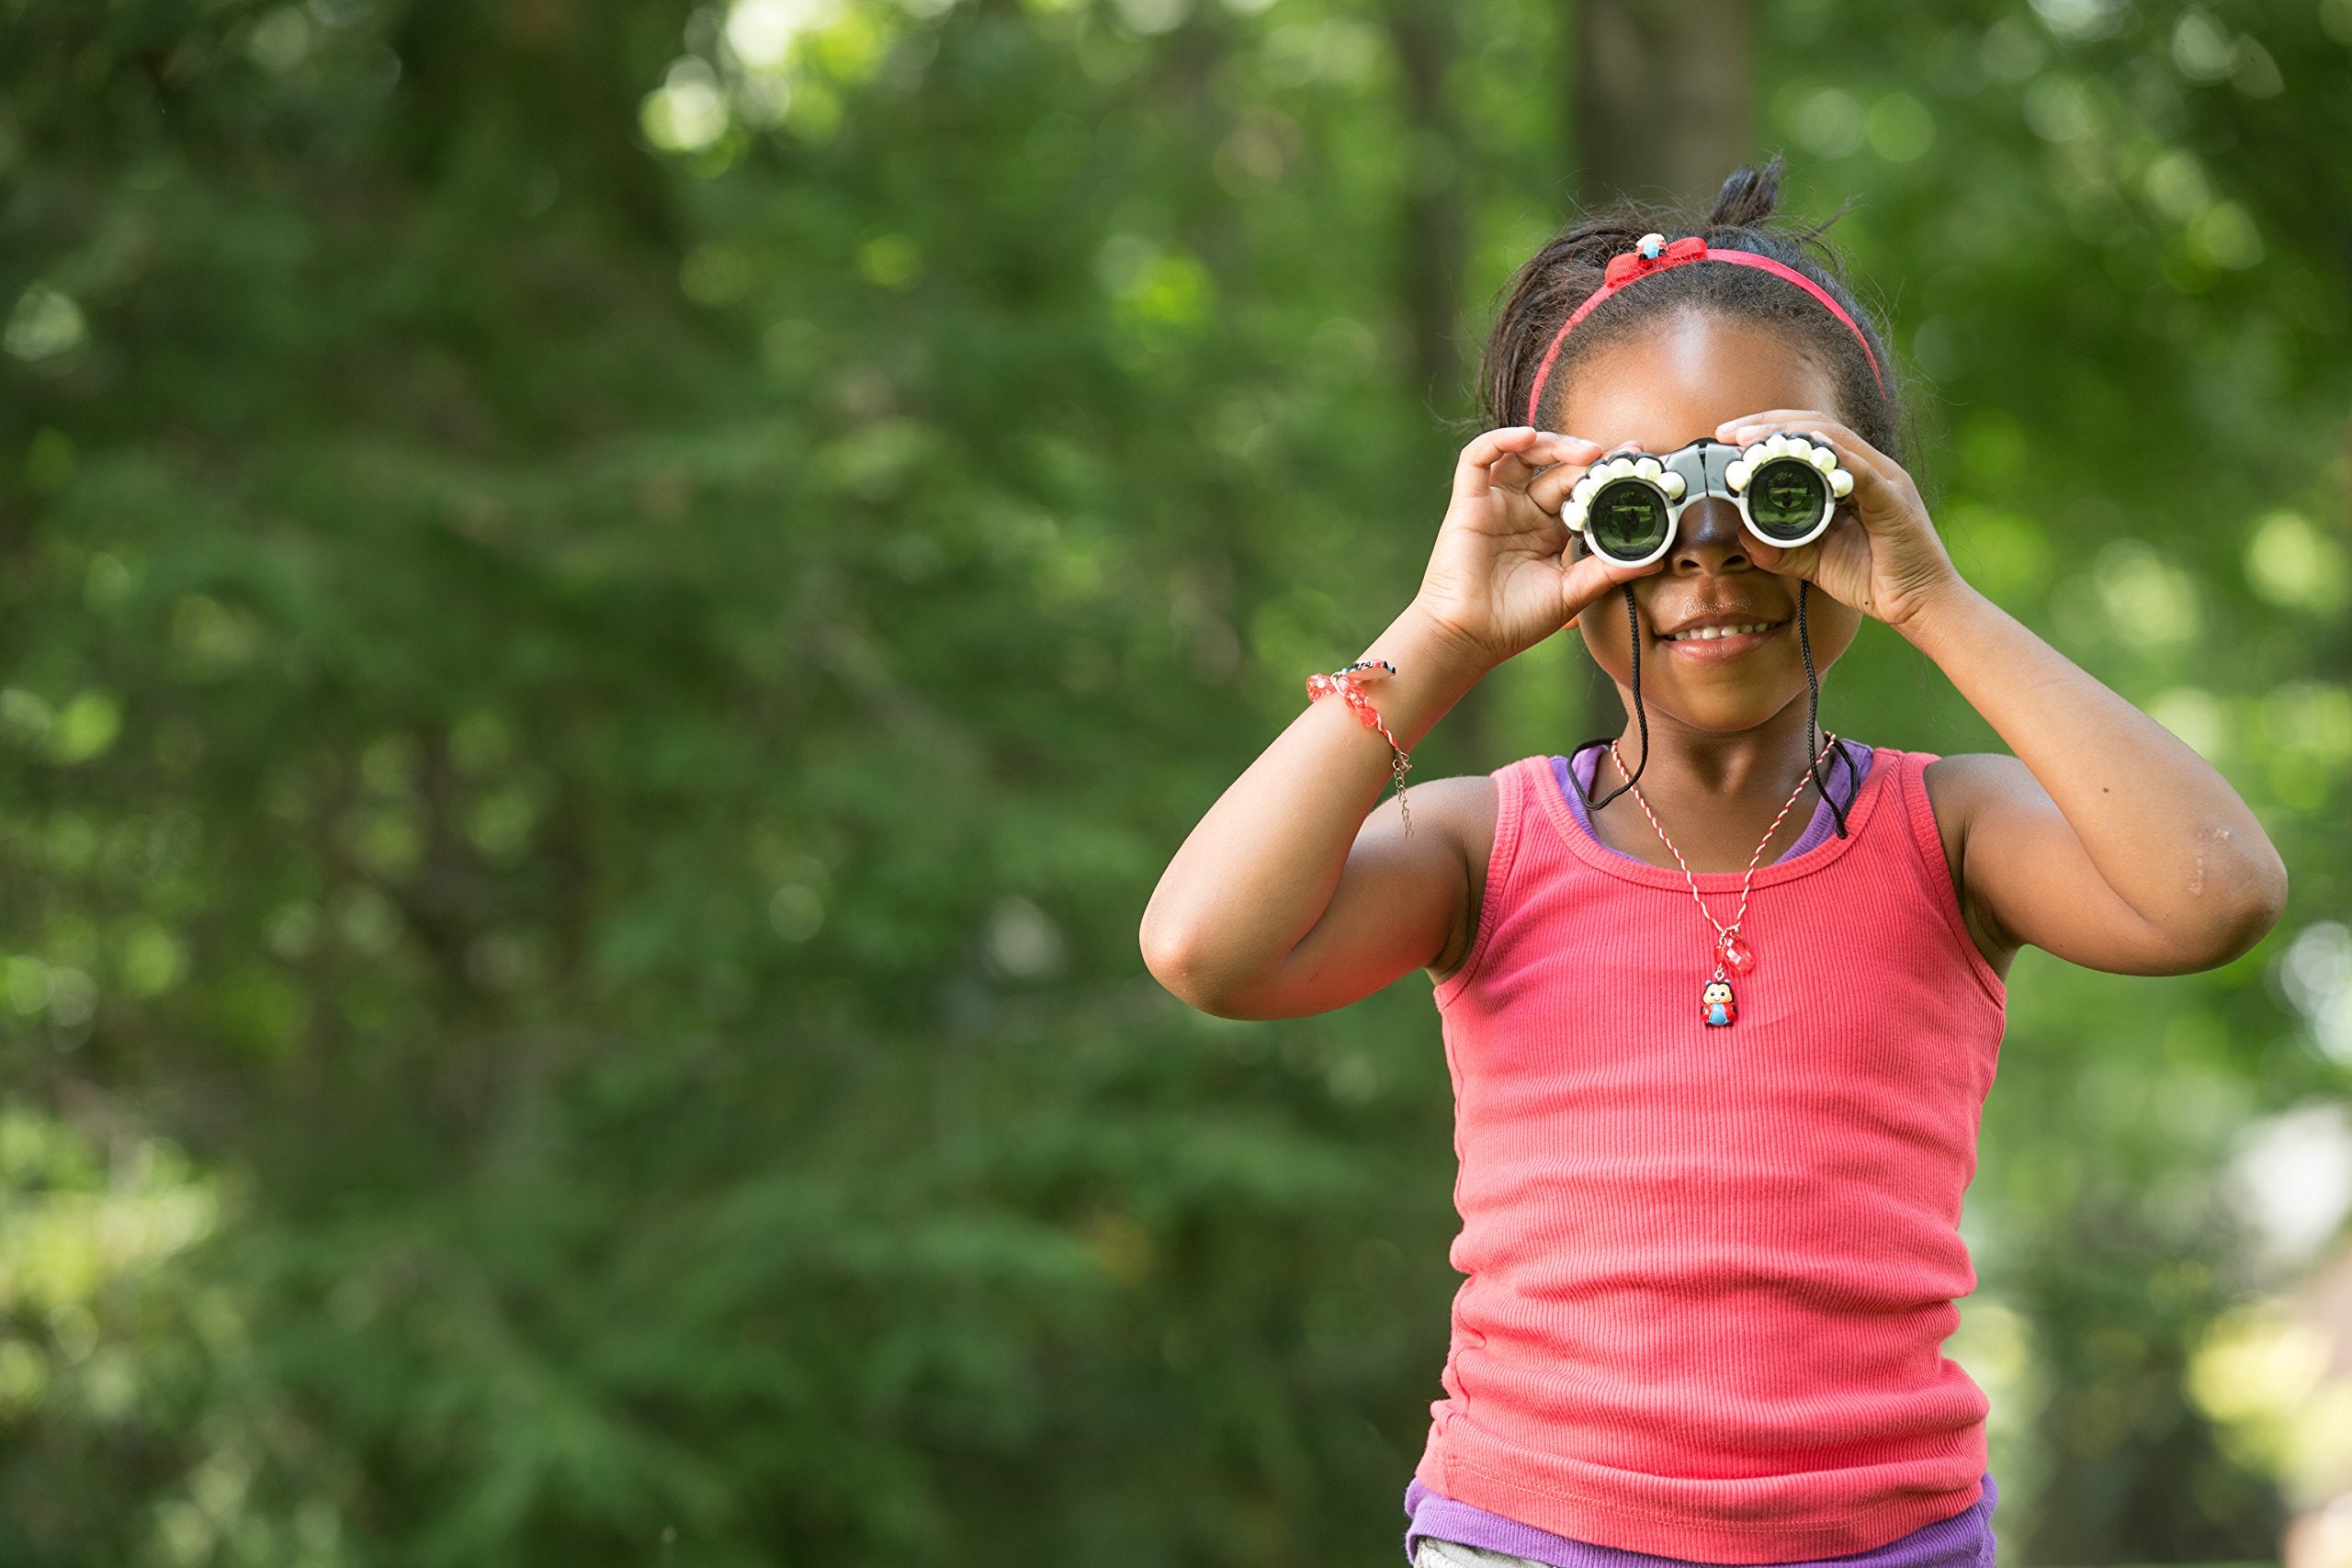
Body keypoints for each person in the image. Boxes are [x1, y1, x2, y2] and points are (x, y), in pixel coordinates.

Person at [1136, 154, 2288, 1568]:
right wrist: (1439, 633)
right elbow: (1205, 946)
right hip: (1534, 1530)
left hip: (1884, 1538)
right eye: (1635, 510)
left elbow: (2218, 890)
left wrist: (1934, 596)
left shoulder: (1956, 835)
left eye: (1774, 488)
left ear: (1863, 496)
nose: (1710, 554)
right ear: (1563, 528)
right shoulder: (1479, 847)